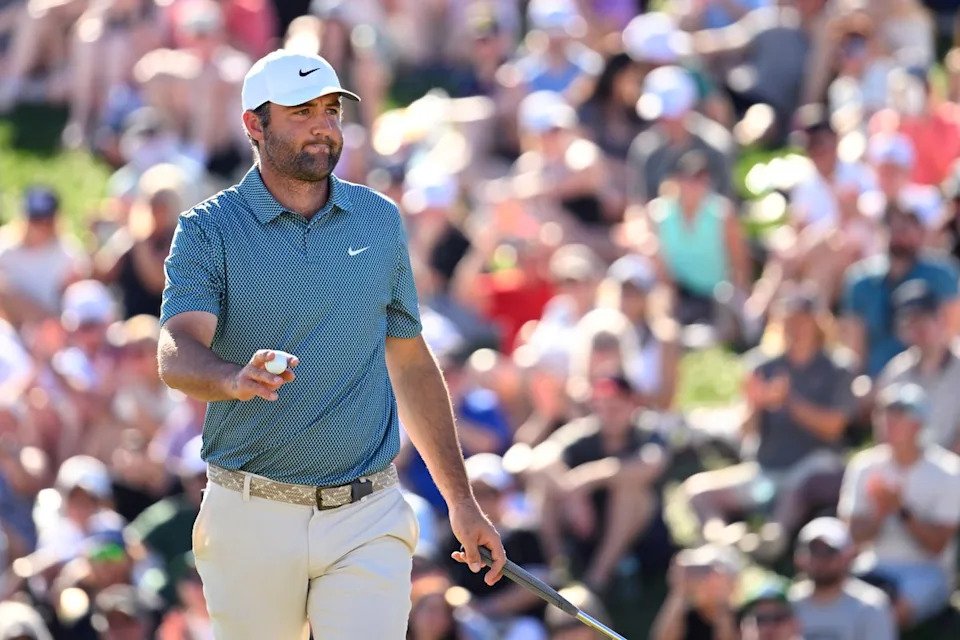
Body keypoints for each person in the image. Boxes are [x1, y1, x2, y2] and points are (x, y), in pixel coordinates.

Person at [157, 49, 505, 639]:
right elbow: (176, 348)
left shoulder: (379, 220)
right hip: (251, 512)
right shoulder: (207, 228)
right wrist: (231, 379)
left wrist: (461, 500)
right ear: (253, 125)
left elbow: (411, 362)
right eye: (301, 112)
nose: (322, 124)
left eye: (330, 110)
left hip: (367, 512)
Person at [683, 288, 855, 559]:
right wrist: (754, 404)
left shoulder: (838, 368)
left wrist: (790, 402)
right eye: (788, 320)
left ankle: (773, 540)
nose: (794, 328)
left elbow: (833, 427)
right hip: (766, 469)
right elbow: (745, 433)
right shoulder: (761, 366)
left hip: (813, 464)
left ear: (817, 324)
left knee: (800, 485)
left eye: (801, 321)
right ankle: (721, 539)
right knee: (697, 492)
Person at [838, 382, 960, 627]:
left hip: (925, 572)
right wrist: (881, 514)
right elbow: (852, 536)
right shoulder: (863, 466)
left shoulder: (948, 471)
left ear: (918, 425)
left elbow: (937, 546)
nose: (887, 423)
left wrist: (901, 510)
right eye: (883, 415)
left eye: (897, 417)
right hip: (872, 565)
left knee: (882, 620)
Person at [876, 280, 960, 453]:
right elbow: (883, 431)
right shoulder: (896, 372)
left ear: (940, 319)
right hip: (910, 470)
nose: (917, 328)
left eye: (923, 319)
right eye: (910, 322)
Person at [788, 517, 896, 640]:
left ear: (848, 555)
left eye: (829, 551)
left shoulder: (872, 605)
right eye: (814, 550)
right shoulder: (788, 604)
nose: (820, 559)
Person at [650, 544, 740, 640]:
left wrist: (721, 601)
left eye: (707, 572)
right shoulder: (686, 617)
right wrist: (680, 590)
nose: (703, 579)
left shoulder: (746, 618)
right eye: (700, 572)